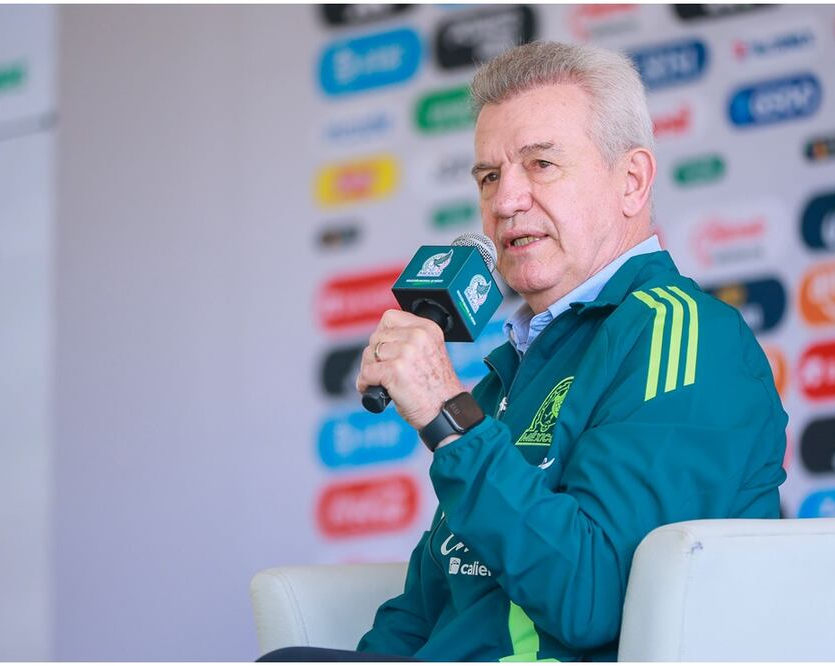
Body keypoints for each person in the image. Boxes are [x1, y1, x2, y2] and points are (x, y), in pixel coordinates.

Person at [261, 40, 787, 662]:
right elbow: (431, 606)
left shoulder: (686, 337)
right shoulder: (510, 373)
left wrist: (451, 420)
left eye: (540, 165)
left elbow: (592, 602)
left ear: (632, 180)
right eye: (489, 176)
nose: (505, 201)